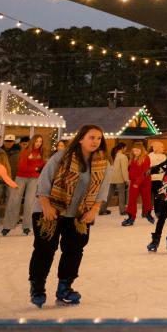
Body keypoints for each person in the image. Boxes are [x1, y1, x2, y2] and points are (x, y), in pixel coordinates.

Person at [28, 124, 110, 307]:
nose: (96, 141)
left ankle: (65, 287)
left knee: (74, 250)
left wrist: (94, 210)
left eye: (98, 138)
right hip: (50, 210)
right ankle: (37, 287)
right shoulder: (62, 156)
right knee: (45, 249)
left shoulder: (103, 163)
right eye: (92, 137)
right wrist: (46, 205)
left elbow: (102, 190)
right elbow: (44, 180)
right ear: (80, 138)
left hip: (79, 215)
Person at [4, 134, 47, 234]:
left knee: (30, 202)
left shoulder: (42, 153)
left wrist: (36, 169)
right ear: (33, 141)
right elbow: (22, 167)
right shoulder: (26, 152)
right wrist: (36, 169)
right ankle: (8, 226)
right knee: (14, 200)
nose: (38, 143)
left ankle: (27, 226)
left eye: (40, 141)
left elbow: (43, 167)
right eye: (36, 141)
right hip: (21, 177)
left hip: (34, 179)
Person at [123, 142, 153, 226]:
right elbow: (131, 170)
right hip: (134, 182)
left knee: (146, 198)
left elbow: (145, 172)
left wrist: (137, 182)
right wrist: (130, 179)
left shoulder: (146, 158)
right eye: (134, 151)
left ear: (141, 150)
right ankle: (131, 217)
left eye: (137, 151)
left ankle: (148, 213)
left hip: (144, 182)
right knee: (131, 200)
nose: (135, 152)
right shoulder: (133, 158)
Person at [98, 141, 127, 218]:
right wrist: (126, 179)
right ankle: (122, 210)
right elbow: (124, 170)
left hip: (110, 178)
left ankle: (102, 209)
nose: (126, 149)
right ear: (123, 148)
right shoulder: (123, 157)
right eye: (125, 148)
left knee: (108, 195)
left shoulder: (111, 156)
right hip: (119, 178)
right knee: (121, 195)